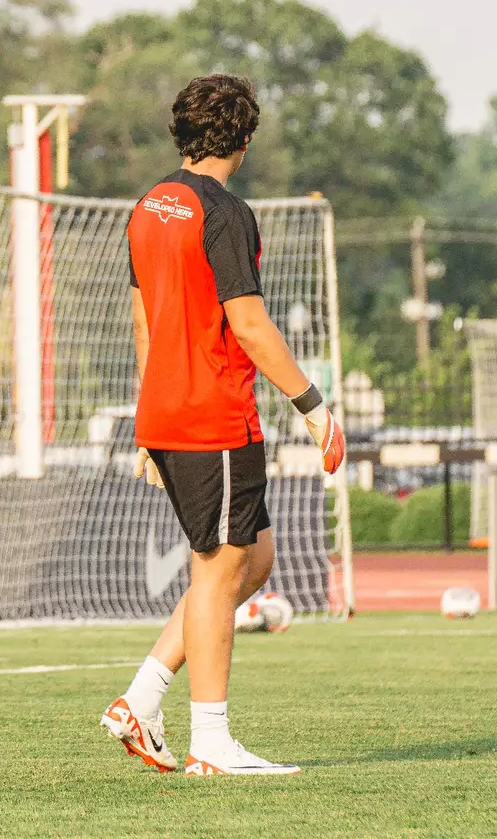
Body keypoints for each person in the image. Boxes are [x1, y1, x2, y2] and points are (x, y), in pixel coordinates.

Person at [100, 73, 344, 777]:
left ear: (182, 133)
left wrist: (149, 422)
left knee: (252, 560)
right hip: (214, 414)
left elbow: (144, 320)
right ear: (243, 138)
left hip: (167, 410)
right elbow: (250, 324)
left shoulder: (150, 205)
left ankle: (140, 701)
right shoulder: (225, 212)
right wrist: (314, 406)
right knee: (219, 572)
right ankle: (212, 742)